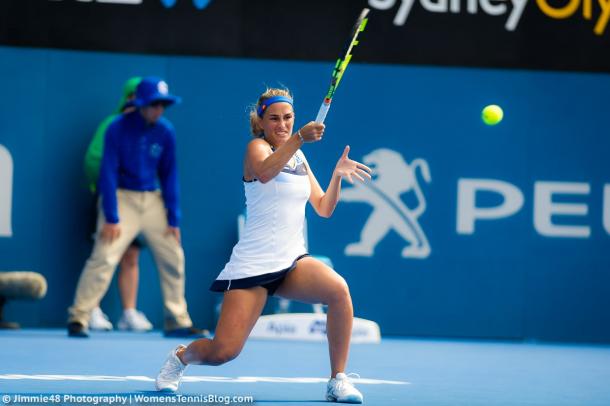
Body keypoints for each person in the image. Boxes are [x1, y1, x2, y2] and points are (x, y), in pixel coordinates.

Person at [156, 88, 372, 404]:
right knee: (222, 352)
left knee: (339, 291)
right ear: (261, 121)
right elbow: (265, 173)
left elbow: (324, 207)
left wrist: (337, 176)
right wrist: (299, 137)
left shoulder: (299, 156)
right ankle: (181, 356)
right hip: (253, 267)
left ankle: (337, 379)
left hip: (293, 262)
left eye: (288, 118)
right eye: (274, 119)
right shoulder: (256, 148)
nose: (282, 125)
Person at [67, 76, 207, 339]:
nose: (159, 109)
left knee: (173, 256)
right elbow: (107, 172)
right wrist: (111, 216)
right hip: (121, 198)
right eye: (154, 104)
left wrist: (173, 220)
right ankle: (79, 317)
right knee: (104, 256)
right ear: (141, 103)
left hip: (152, 200)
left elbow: (169, 175)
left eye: (163, 104)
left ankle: (177, 320)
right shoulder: (116, 128)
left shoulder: (166, 131)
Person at [83, 76, 152, 332]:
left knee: (131, 255)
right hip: (109, 199)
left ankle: (129, 313)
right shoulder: (112, 125)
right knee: (104, 254)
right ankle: (91, 308)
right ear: (129, 98)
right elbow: (93, 162)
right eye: (136, 95)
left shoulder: (150, 131)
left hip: (136, 203)